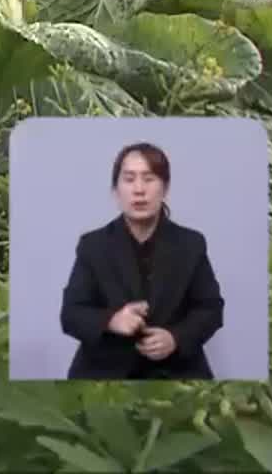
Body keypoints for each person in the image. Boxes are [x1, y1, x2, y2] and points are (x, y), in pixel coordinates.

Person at [58, 141, 224, 379]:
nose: (139, 190)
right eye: (129, 179)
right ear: (116, 191)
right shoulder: (93, 245)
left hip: (177, 372)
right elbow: (72, 314)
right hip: (105, 374)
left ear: (165, 188)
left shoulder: (191, 244)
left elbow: (210, 308)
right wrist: (112, 320)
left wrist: (175, 338)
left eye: (149, 179)